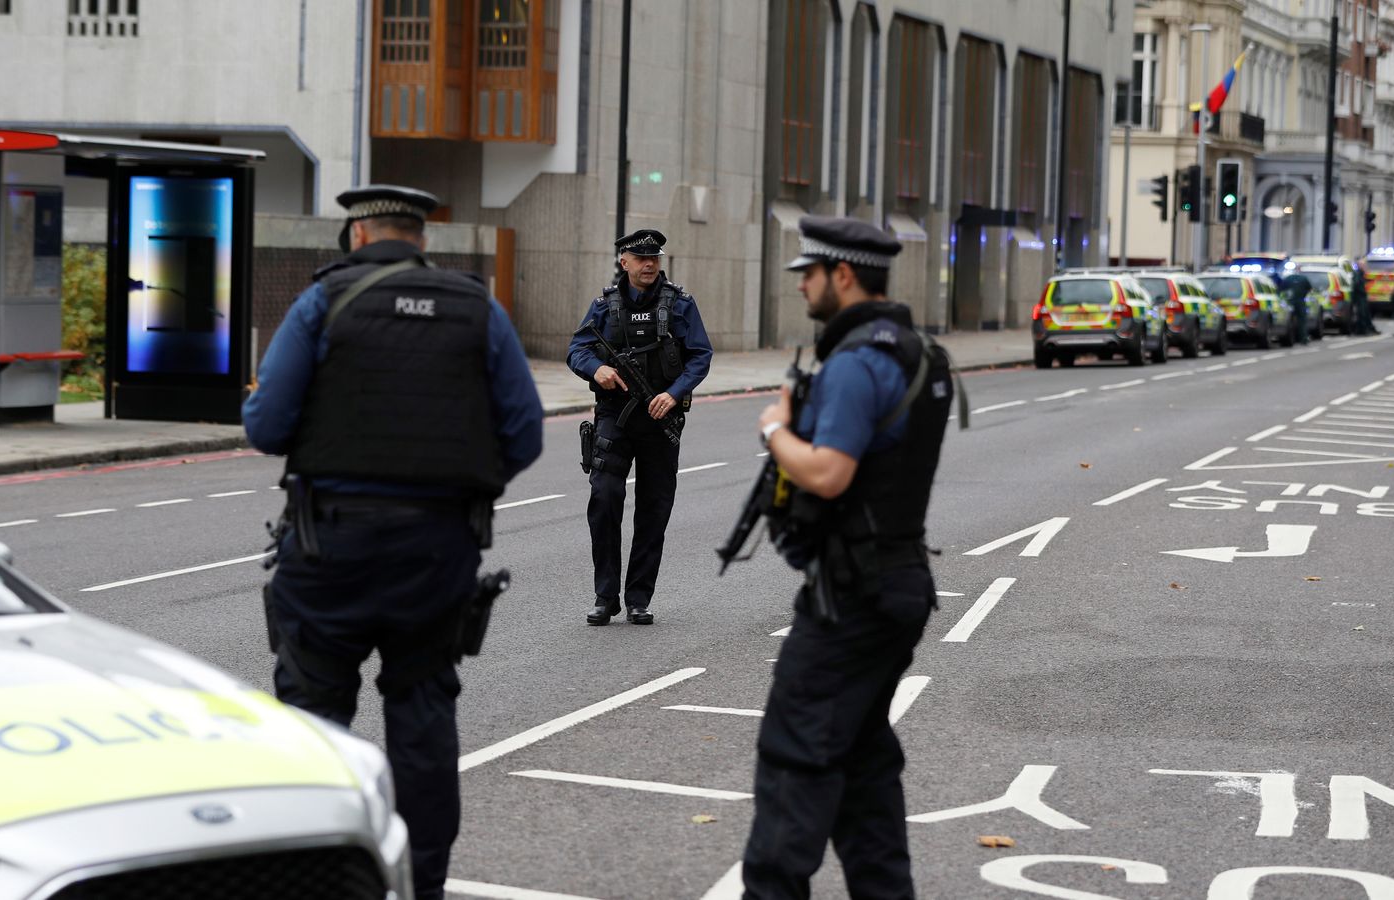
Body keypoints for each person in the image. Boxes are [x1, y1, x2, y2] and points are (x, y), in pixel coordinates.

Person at [243, 184, 543, 900]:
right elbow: (525, 433)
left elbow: (267, 427)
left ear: (357, 236)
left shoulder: (322, 304)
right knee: (423, 714)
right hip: (437, 553)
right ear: (422, 239)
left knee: (315, 722)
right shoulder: (478, 310)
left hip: (328, 548)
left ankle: (316, 879)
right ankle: (425, 884)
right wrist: (464, 486)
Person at [739, 215, 956, 900]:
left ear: (843, 275)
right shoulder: (916, 350)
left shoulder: (860, 360)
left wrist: (776, 430)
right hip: (896, 581)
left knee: (794, 754)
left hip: (853, 596)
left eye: (810, 272)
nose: (801, 284)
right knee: (863, 767)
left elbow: (829, 473)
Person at [566, 229, 713, 626]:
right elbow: (577, 349)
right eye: (640, 257)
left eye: (655, 258)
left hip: (661, 416)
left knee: (653, 508)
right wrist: (597, 369)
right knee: (605, 496)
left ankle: (638, 599)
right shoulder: (604, 306)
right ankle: (604, 595)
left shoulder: (680, 304)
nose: (649, 264)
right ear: (623, 262)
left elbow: (700, 355)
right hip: (615, 416)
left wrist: (675, 392)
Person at [1279, 268, 1312, 345]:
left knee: (1290, 321)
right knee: (1302, 321)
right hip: (1301, 302)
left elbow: (1281, 290)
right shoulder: (1303, 279)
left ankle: (1291, 339)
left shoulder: (1287, 279)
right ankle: (1303, 339)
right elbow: (1309, 289)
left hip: (1290, 303)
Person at [1351, 257, 1376, 335]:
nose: (1366, 267)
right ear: (1360, 266)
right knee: (1361, 314)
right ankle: (1362, 330)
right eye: (1364, 265)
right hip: (1360, 297)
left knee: (1365, 313)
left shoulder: (1361, 274)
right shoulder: (1358, 274)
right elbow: (1357, 285)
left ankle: (1366, 329)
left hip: (1362, 297)